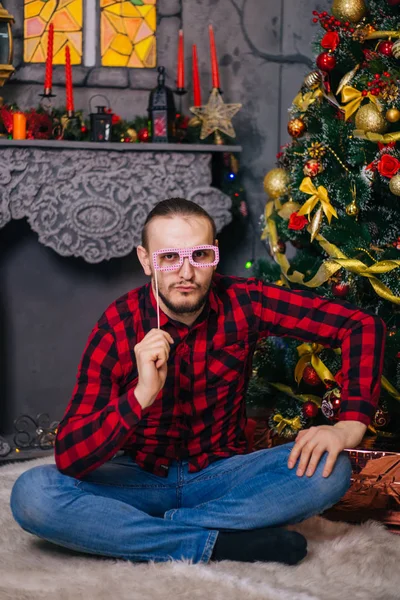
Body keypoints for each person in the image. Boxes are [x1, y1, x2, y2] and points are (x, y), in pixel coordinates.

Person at [10, 198, 386, 566]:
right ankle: (220, 542)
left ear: (214, 255)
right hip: (138, 478)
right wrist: (140, 396)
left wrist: (348, 426)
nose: (186, 273)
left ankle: (150, 532)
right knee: (33, 494)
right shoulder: (117, 325)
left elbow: (361, 325)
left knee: (332, 471)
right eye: (169, 258)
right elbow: (70, 455)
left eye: (199, 256)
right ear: (146, 261)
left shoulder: (245, 302)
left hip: (223, 477)